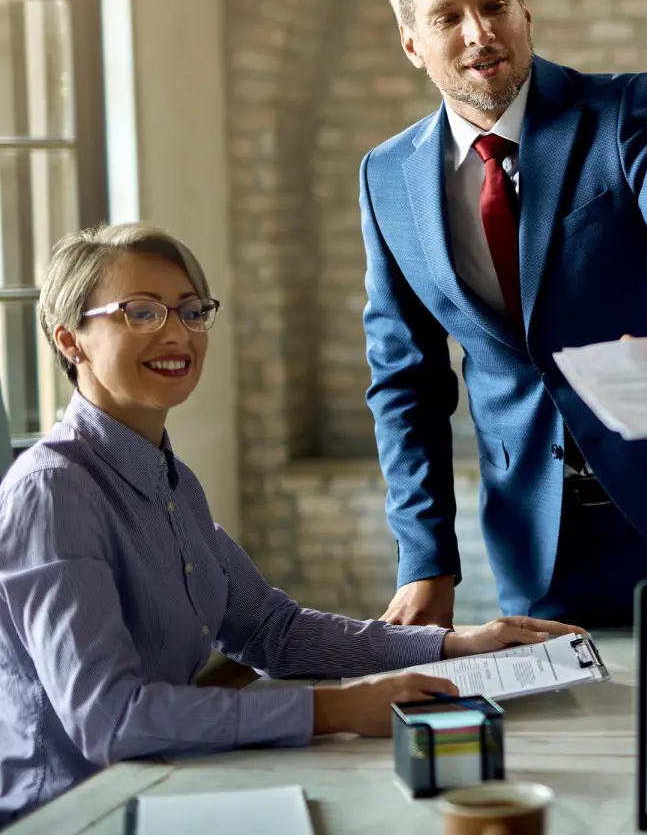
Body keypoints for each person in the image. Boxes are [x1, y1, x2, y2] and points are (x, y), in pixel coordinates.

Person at [0, 224, 581, 824]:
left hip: (163, 787)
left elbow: (272, 631)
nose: (177, 333)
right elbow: (111, 720)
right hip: (72, 814)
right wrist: (335, 711)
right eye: (140, 313)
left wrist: (454, 644)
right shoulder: (53, 492)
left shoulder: (173, 480)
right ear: (71, 341)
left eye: (191, 311)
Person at [362, 0, 647, 629]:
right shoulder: (387, 177)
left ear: (524, 11)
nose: (479, 33)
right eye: (447, 17)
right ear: (412, 45)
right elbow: (407, 383)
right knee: (561, 740)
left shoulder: (623, 113)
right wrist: (425, 556)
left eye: (493, 5)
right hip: (536, 547)